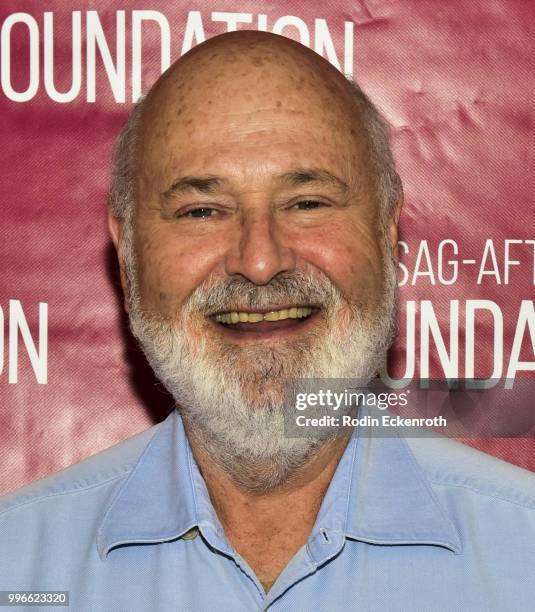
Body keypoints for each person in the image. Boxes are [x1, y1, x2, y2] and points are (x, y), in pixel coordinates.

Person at [1, 31, 534, 611]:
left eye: (307, 203)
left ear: (385, 231)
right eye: (202, 210)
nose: (259, 261)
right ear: (128, 252)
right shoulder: (17, 564)